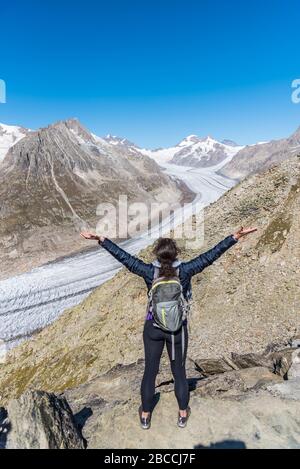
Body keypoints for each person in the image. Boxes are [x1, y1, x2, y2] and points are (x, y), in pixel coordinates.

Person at [80, 226, 257, 429]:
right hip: (177, 330)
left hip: (153, 328)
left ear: (157, 255)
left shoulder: (148, 272)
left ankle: (145, 415)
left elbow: (125, 259)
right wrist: (233, 237)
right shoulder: (186, 270)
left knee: (150, 371)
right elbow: (211, 256)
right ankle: (182, 414)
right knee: (179, 372)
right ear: (176, 255)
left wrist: (102, 239)